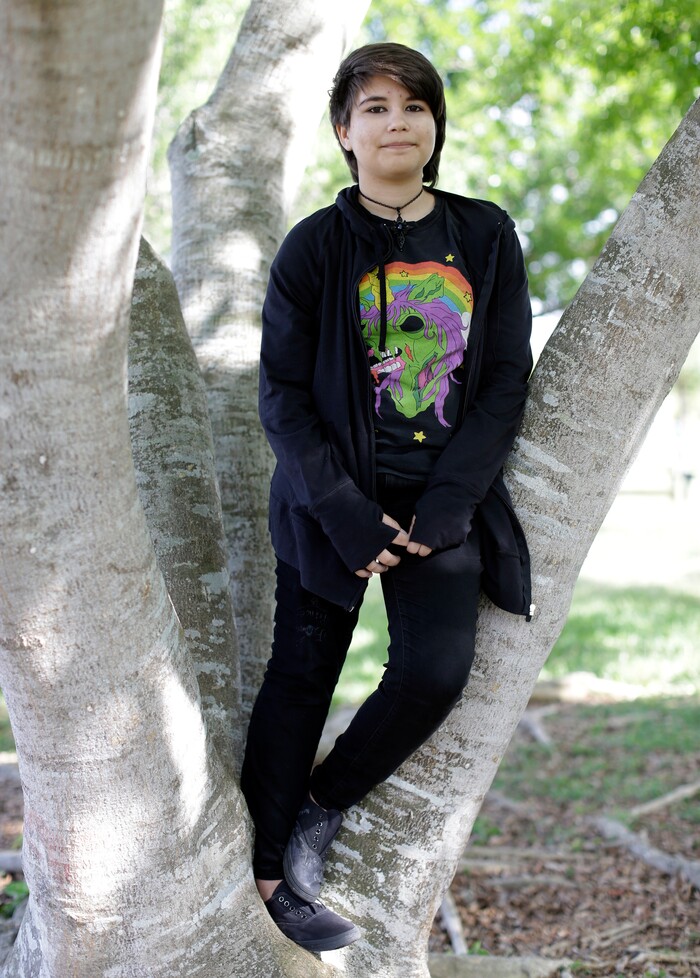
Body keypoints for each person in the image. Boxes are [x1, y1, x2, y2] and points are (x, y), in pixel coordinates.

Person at [240, 41, 533, 953]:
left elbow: (502, 383)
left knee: (434, 674)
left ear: (435, 126)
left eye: (412, 106)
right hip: (333, 498)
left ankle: (322, 807)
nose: (395, 121)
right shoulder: (315, 247)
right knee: (301, 677)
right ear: (344, 131)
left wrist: (450, 503)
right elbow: (281, 395)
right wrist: (342, 510)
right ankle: (266, 873)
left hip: (444, 497)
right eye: (374, 108)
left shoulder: (484, 235)